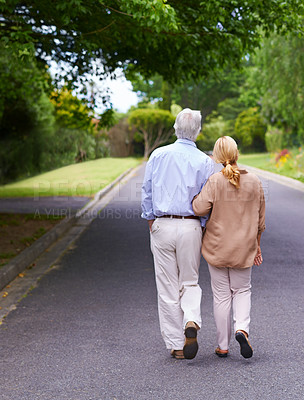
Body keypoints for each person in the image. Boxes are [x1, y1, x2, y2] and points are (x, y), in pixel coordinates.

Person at [141, 108, 214, 360]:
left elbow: (147, 190)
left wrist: (150, 219)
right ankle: (191, 319)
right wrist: (202, 224)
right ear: (198, 131)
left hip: (162, 223)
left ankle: (176, 344)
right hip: (191, 225)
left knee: (167, 287)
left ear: (175, 128)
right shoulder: (205, 161)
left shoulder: (158, 155)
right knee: (190, 281)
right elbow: (207, 198)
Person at [192, 136, 265, 359]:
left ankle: (222, 346)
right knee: (242, 290)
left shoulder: (214, 181)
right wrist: (257, 247)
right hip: (244, 248)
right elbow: (260, 222)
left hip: (217, 248)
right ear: (237, 153)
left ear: (215, 157)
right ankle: (241, 329)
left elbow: (198, 208)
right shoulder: (254, 181)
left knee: (222, 296)